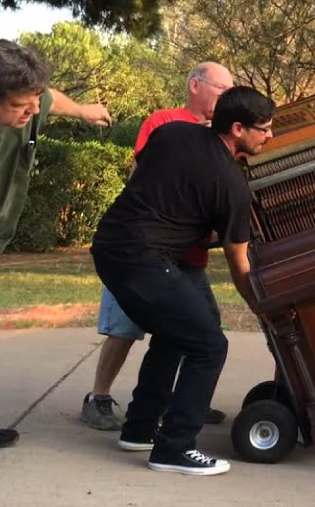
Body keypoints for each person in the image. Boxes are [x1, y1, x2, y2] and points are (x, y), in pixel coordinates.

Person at [0, 39, 112, 501]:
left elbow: (51, 99)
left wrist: (86, 109)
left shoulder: (23, 95)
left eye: (35, 101)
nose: (32, 112)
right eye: (20, 107)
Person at [91, 86, 273, 476]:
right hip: (143, 259)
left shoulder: (172, 132)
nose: (269, 136)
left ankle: (140, 429)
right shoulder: (231, 184)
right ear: (238, 129)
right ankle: (175, 448)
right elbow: (239, 262)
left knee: (178, 335)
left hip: (111, 244)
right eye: (264, 129)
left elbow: (145, 173)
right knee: (209, 345)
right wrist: (258, 305)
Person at [80, 62, 235, 431]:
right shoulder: (164, 121)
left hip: (188, 256)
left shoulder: (226, 135)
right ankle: (99, 397)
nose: (226, 97)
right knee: (124, 327)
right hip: (142, 251)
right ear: (195, 85)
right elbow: (143, 176)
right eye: (221, 88)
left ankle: (183, 399)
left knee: (202, 326)